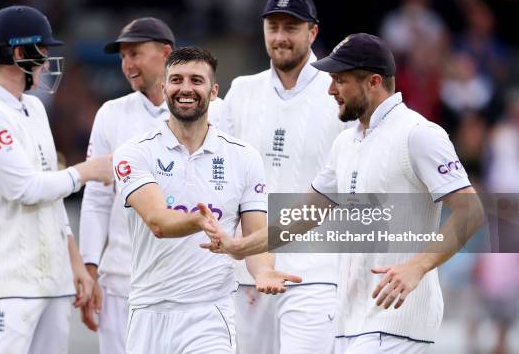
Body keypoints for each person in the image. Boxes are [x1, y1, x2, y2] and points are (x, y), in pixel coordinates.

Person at [207, 33, 484, 353]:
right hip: (349, 325)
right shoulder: (346, 142)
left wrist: (417, 266)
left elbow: (470, 211)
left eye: (340, 80)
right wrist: (241, 246)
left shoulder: (419, 134)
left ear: (374, 82)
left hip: (398, 323)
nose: (330, 89)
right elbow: (302, 218)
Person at [112, 46, 301, 354]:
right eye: (177, 80)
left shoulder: (244, 157)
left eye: (196, 80)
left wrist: (263, 270)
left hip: (209, 313)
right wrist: (198, 220)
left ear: (213, 91)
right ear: (163, 87)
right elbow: (158, 221)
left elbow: (256, 237)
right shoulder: (134, 152)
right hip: (149, 310)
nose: (186, 88)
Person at [0, 5, 113, 353]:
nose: (46, 62)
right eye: (41, 51)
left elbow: (51, 191)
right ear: (18, 52)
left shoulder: (34, 108)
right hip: (6, 283)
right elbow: (24, 189)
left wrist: (75, 263)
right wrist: (86, 171)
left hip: (52, 281)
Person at [78, 17, 222, 352]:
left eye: (136, 53)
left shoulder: (215, 111)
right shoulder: (111, 114)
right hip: (122, 279)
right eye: (124, 56)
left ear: (166, 53)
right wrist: (90, 267)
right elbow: (97, 198)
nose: (128, 64)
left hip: (192, 282)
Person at [220, 0, 346, 354]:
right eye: (273, 27)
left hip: (316, 271)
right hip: (249, 273)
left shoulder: (336, 91)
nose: (280, 37)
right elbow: (223, 172)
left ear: (313, 32)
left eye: (291, 27)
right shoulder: (242, 91)